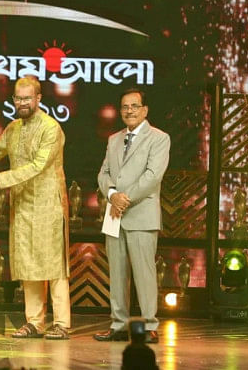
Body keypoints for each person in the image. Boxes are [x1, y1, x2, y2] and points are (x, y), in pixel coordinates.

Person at [0, 76, 71, 340]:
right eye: (18, 98)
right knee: (29, 263)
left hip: (48, 205)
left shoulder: (51, 128)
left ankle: (61, 322)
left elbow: (38, 166)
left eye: (27, 98)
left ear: (38, 98)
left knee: (54, 264)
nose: (22, 103)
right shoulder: (13, 128)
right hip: (22, 205)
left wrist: (0, 179)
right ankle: (35, 322)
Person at [94, 87, 170, 344]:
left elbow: (153, 176)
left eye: (134, 106)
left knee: (144, 274)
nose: (129, 111)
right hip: (114, 215)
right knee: (117, 274)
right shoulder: (114, 139)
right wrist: (112, 194)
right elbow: (103, 173)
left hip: (141, 214)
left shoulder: (159, 138)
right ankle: (118, 325)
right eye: (125, 107)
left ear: (145, 110)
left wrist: (125, 198)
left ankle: (149, 326)